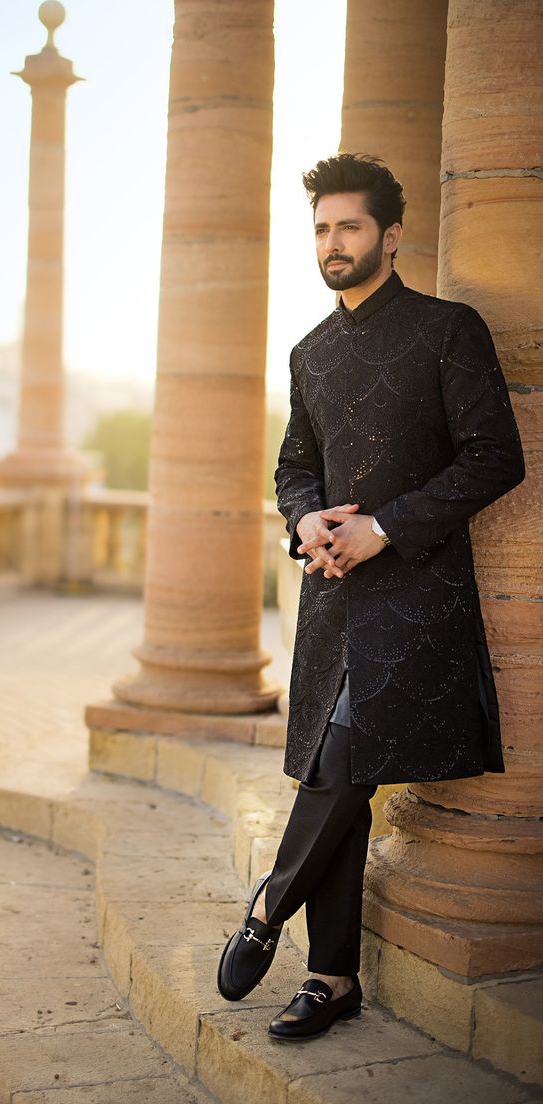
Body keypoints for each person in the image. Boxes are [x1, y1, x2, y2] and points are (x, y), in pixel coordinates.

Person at [217, 153, 525, 1041]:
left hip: (417, 595)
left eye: (348, 226)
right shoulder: (310, 350)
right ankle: (330, 980)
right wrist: (307, 520)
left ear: (391, 236)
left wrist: (383, 528)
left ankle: (268, 905)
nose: (332, 243)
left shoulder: (446, 329)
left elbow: (494, 457)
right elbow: (294, 466)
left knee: (341, 764)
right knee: (335, 774)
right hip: (332, 597)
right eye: (321, 228)